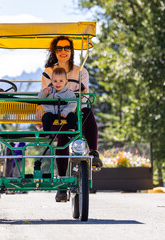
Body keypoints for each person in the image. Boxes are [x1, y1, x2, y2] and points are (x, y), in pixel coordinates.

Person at [41, 36, 102, 202]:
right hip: (56, 114)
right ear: (55, 51)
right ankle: (62, 184)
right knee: (62, 136)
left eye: (66, 48)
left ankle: (94, 153)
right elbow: (47, 94)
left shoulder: (81, 71)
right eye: (59, 48)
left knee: (88, 112)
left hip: (74, 112)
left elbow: (84, 96)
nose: (63, 51)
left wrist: (70, 108)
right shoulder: (48, 72)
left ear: (71, 50)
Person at [38, 67, 77, 133]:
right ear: (52, 81)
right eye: (55, 81)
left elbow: (73, 103)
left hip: (63, 113)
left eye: (61, 81)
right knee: (46, 117)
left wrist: (66, 111)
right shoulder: (49, 91)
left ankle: (71, 130)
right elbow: (40, 99)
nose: (58, 84)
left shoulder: (69, 93)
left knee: (72, 116)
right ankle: (47, 133)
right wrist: (44, 93)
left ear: (66, 82)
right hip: (51, 113)